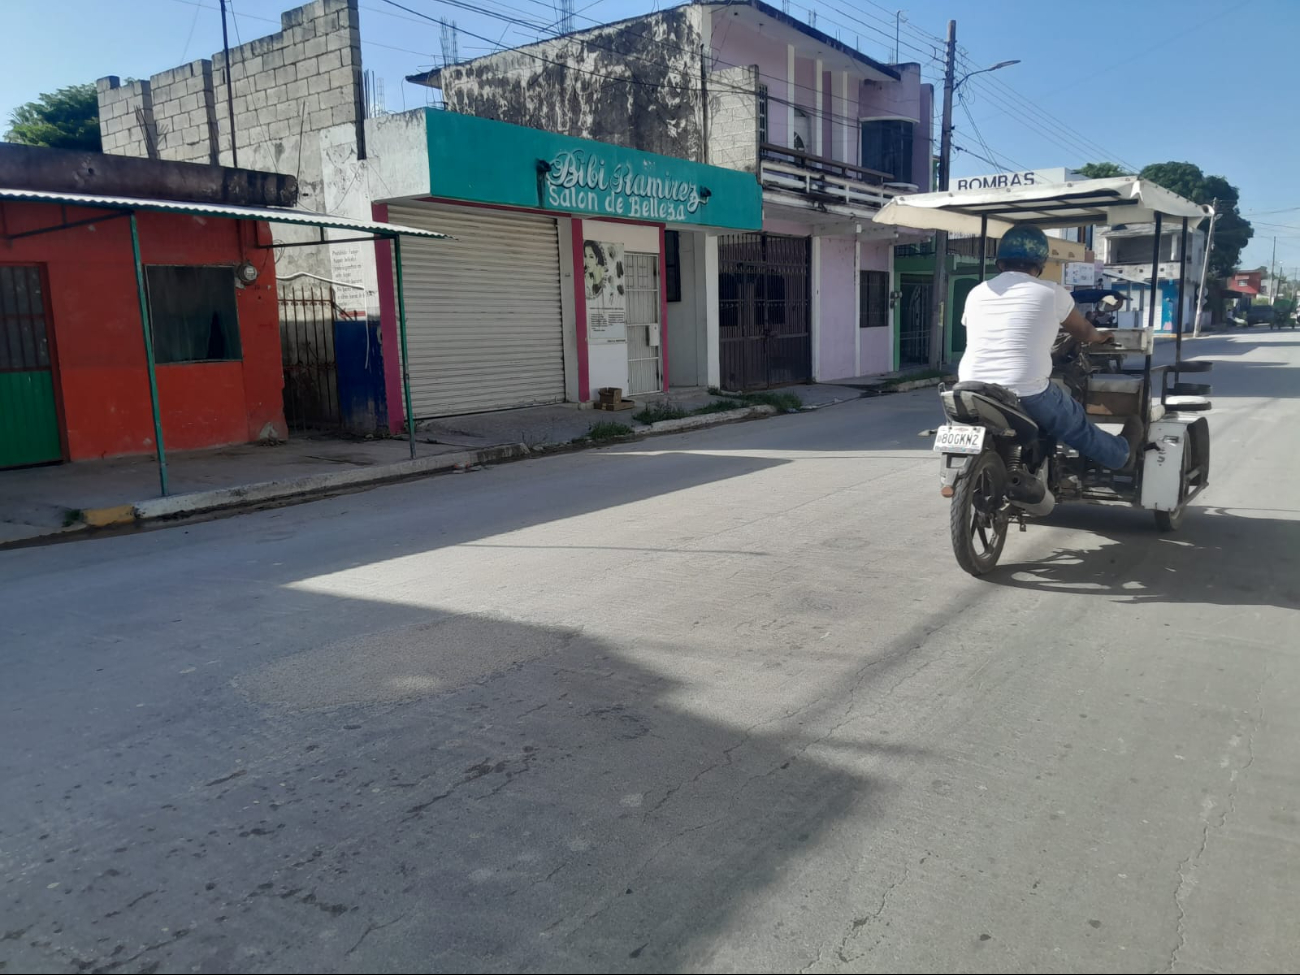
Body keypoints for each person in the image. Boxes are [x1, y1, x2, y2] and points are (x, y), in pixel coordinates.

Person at [959, 225, 1138, 470]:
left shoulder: (976, 292)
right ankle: (1120, 456)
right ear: (1040, 264)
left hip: (971, 384)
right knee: (1076, 424)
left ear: (1000, 263)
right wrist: (1101, 336)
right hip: (1027, 389)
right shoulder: (1052, 292)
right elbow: (1084, 331)